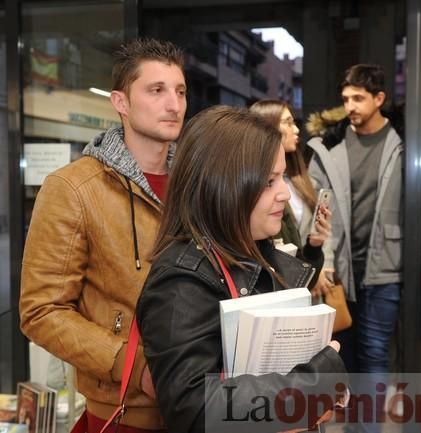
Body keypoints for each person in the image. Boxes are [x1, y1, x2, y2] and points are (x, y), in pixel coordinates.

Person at [137, 106, 348, 433]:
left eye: (281, 177)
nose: (283, 193)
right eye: (268, 181)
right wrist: (313, 383)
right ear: (223, 186)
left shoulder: (254, 250)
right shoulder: (182, 280)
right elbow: (194, 408)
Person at [19, 37, 187, 433]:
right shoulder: (74, 188)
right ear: (121, 103)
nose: (174, 104)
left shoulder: (197, 183)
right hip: (124, 409)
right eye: (157, 90)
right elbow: (41, 310)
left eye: (180, 91)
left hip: (200, 397)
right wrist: (131, 364)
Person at [307, 64, 403, 380]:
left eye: (358, 98)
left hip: (385, 267)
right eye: (346, 98)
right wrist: (326, 261)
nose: (350, 106)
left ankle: (369, 429)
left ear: (379, 99)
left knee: (375, 354)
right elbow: (318, 210)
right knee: (343, 356)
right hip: (340, 270)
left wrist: (406, 240)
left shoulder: (402, 143)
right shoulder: (330, 145)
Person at [249, 99, 333, 295]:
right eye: (287, 122)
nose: (296, 130)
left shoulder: (302, 179)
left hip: (303, 279)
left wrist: (316, 248)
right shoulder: (250, 187)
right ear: (267, 126)